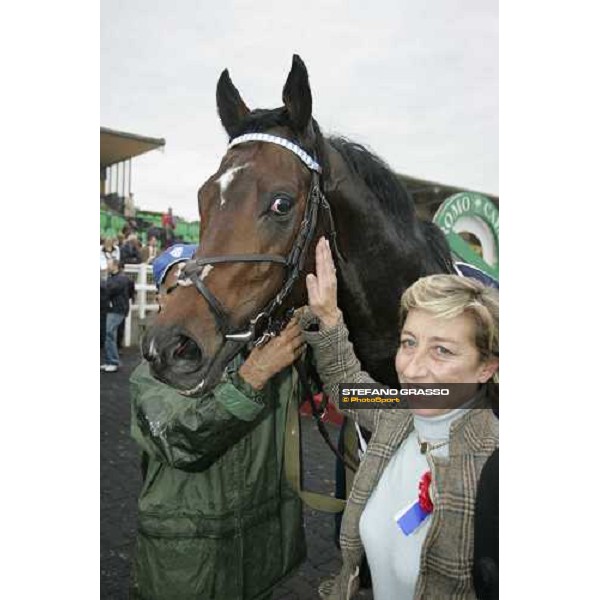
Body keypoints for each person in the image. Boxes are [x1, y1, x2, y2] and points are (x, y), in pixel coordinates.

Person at [299, 237, 499, 600]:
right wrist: (328, 316)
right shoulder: (400, 414)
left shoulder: (495, 467)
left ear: (487, 367)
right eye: (409, 342)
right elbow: (347, 385)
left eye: (442, 350)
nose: (413, 368)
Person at [129, 244, 307, 600]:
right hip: (187, 570)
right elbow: (182, 440)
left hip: (256, 563)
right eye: (177, 287)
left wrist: (439, 396)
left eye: (202, 283)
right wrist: (253, 375)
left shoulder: (264, 351)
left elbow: (350, 393)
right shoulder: (150, 374)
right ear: (161, 300)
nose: (192, 298)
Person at [101, 259, 135, 372]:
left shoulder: (120, 279)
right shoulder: (117, 278)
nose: (107, 266)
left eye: (109, 264)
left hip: (117, 310)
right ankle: (110, 360)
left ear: (115, 265)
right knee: (109, 334)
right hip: (114, 309)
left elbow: (108, 289)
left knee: (109, 333)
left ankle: (113, 361)